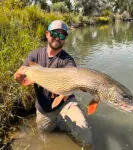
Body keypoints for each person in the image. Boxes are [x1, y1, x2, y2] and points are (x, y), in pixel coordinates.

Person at [14, 20, 94, 149]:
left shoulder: (68, 60)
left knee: (85, 132)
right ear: (47, 34)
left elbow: (73, 77)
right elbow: (21, 77)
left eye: (62, 35)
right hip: (44, 107)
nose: (57, 38)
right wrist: (18, 76)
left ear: (65, 39)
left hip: (65, 102)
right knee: (44, 133)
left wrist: (63, 96)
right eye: (54, 34)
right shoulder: (34, 55)